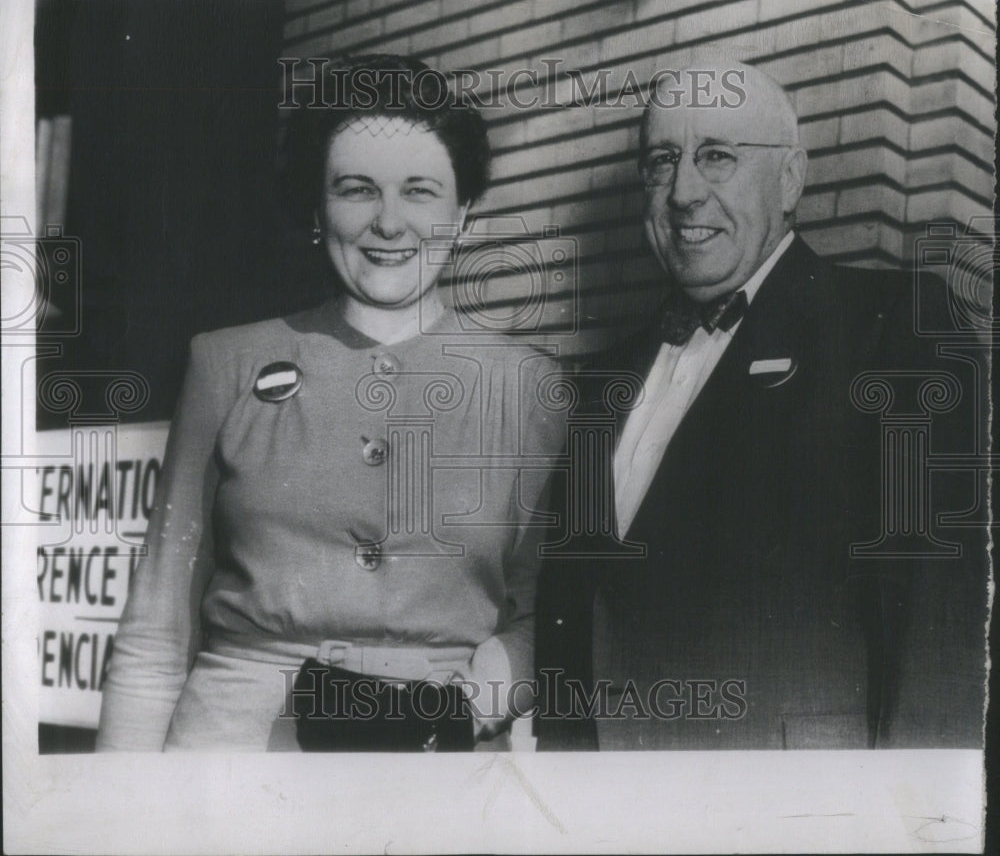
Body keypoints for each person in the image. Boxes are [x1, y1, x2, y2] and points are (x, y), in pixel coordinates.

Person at [97, 55, 564, 752]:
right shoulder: (222, 363)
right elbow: (155, 630)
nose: (388, 221)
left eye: (419, 191)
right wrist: (120, 814)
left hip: (441, 766)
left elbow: (544, 616)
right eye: (356, 189)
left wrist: (468, 703)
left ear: (462, 212)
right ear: (318, 210)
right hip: (234, 769)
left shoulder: (533, 388)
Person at [535, 58, 986, 751]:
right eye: (662, 160)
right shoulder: (602, 380)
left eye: (717, 156)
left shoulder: (896, 324)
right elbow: (573, 621)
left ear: (790, 178)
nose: (685, 190)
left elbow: (940, 627)